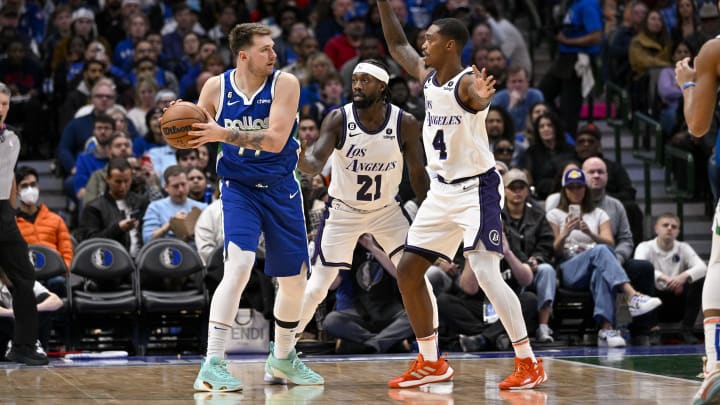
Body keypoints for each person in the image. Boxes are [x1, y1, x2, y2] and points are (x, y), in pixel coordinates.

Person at [377, 5, 546, 389]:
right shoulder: (427, 74)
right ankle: (431, 361)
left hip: (477, 190)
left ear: (450, 45)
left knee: (485, 272)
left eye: (431, 39)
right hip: (441, 192)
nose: (423, 44)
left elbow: (476, 97)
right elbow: (396, 42)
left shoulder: (468, 82)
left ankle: (528, 362)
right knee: (408, 270)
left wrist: (483, 99)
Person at [181, 23, 323, 392]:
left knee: (294, 282)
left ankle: (282, 359)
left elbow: (276, 140)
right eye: (265, 49)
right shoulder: (216, 87)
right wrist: (179, 123)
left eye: (274, 48)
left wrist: (222, 134)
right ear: (243, 55)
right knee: (240, 264)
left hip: (280, 187)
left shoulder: (285, 84)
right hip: (238, 187)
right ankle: (213, 363)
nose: (273, 55)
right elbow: (193, 132)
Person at [294, 59, 429, 348]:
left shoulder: (404, 123)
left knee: (417, 279)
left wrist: (429, 207)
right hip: (344, 212)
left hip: (386, 211)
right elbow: (317, 162)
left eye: (365, 80)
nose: (356, 85)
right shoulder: (338, 119)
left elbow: (417, 173)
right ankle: (281, 353)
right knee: (317, 286)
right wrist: (301, 159)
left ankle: (431, 356)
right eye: (354, 79)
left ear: (382, 86)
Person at [546, 168, 662, 348]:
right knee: (601, 253)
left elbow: (610, 243)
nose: (575, 191)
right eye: (571, 187)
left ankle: (606, 329)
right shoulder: (554, 214)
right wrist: (564, 233)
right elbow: (552, 251)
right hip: (569, 267)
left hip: (596, 263)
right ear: (564, 190)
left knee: (602, 270)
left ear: (586, 189)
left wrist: (590, 233)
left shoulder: (599, 213)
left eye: (579, 187)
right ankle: (632, 296)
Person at [675, 27, 720, 404]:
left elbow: (697, 126)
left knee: (719, 265)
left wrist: (688, 84)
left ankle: (716, 364)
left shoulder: (714, 50)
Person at [0, 82, 48, 365]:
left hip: (3, 214)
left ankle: (24, 345)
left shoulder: (12, 139)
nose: (1, 109)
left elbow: (10, 177)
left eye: (5, 104)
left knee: (24, 278)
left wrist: (12, 211)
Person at [634, 213, 706, 343]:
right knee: (641, 272)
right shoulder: (644, 246)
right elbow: (639, 266)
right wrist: (667, 279)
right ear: (656, 229)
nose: (669, 228)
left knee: (699, 278)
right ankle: (653, 330)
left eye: (674, 226)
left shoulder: (683, 247)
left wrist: (682, 277)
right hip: (654, 302)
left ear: (678, 231)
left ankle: (687, 329)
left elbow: (702, 267)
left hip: (678, 302)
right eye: (665, 225)